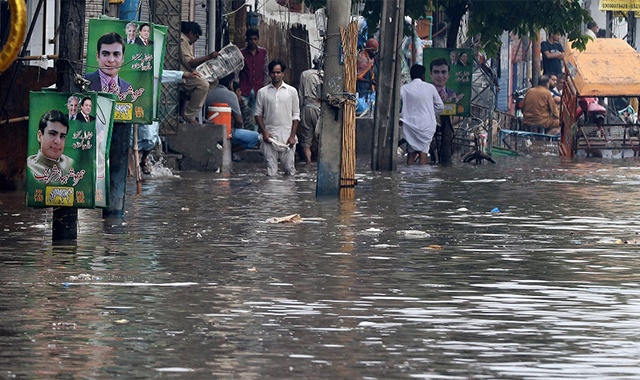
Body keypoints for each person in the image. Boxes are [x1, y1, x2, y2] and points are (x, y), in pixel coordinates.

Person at [255, 60, 300, 176]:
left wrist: (292, 136)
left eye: (278, 72)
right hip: (269, 136)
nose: (276, 75)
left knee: (289, 170)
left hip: (287, 135)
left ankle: (288, 194)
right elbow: (258, 114)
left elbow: (296, 116)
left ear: (283, 74)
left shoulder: (292, 92)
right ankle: (271, 194)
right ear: (269, 74)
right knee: (271, 170)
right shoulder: (262, 92)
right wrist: (264, 132)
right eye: (273, 73)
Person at [204, 73, 260, 158]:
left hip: (207, 129)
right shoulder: (230, 95)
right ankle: (229, 151)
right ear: (230, 83)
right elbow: (239, 121)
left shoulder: (208, 92)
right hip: (227, 131)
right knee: (256, 137)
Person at [400, 64, 444, 165]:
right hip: (427, 125)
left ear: (411, 76)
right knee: (423, 153)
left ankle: (409, 176)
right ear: (423, 76)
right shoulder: (430, 88)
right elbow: (440, 106)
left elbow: (397, 103)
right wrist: (431, 112)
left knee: (411, 152)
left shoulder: (404, 88)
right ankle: (421, 177)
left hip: (410, 125)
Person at [179, 21, 219, 124]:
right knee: (203, 85)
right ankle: (189, 115)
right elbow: (190, 63)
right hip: (183, 76)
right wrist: (208, 57)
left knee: (213, 81)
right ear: (191, 33)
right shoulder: (182, 41)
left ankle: (195, 105)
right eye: (196, 37)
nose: (195, 40)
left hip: (189, 73)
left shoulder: (186, 42)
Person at [27, 110, 74, 179]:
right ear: (39, 136)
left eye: (62, 136)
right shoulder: (29, 169)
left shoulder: (71, 165)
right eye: (52, 134)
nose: (58, 141)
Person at [85, 32, 133, 97]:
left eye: (116, 54)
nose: (111, 60)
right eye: (105, 54)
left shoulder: (127, 88)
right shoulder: (85, 81)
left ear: (122, 58)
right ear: (97, 56)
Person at [238, 28, 269, 122]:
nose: (253, 41)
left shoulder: (263, 53)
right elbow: (237, 72)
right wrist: (237, 89)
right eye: (251, 39)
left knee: (257, 116)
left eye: (255, 39)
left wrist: (265, 87)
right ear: (247, 40)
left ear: (258, 39)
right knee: (241, 114)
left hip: (258, 89)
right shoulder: (241, 53)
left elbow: (266, 71)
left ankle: (254, 135)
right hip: (244, 88)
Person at [297, 56, 323, 165]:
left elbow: (301, 94)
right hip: (318, 109)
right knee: (321, 138)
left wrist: (299, 111)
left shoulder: (304, 74)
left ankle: (308, 163)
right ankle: (320, 163)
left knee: (306, 141)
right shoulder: (323, 74)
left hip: (306, 108)